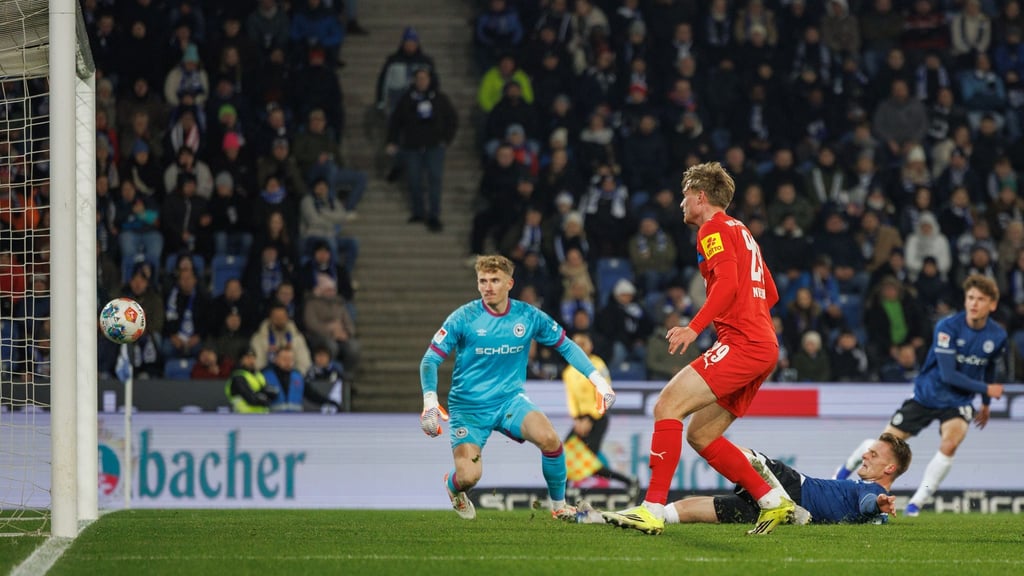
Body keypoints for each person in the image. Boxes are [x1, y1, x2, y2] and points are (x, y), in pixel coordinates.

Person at [602, 161, 791, 536]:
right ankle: (772, 501)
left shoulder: (713, 228)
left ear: (701, 197)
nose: (681, 203)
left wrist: (695, 327)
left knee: (666, 406)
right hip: (763, 344)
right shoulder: (743, 231)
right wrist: (749, 321)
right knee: (701, 435)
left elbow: (728, 285)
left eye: (685, 195)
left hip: (743, 343)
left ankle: (651, 508)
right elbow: (769, 292)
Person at [419, 254, 616, 521]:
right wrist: (430, 401)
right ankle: (453, 487)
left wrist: (598, 380)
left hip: (510, 401)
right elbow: (430, 359)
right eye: (482, 281)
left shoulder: (528, 316)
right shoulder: (463, 317)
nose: (487, 287)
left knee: (550, 439)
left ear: (510, 283)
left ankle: (559, 506)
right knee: (469, 476)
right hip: (469, 409)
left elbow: (566, 346)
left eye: (495, 280)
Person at [833, 275, 1007, 517]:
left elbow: (988, 367)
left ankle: (916, 504)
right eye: (970, 298)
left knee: (950, 443)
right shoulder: (947, 327)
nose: (973, 303)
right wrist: (987, 390)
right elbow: (948, 374)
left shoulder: (997, 335)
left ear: (993, 304)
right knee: (881, 446)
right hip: (927, 395)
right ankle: (838, 476)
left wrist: (986, 405)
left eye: (980, 299)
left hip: (958, 402)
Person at [661, 434, 912, 526]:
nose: (865, 454)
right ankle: (655, 514)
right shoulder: (870, 493)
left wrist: (878, 504)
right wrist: (878, 509)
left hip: (790, 486)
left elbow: (867, 502)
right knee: (708, 508)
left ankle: (656, 512)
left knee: (711, 442)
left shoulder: (873, 490)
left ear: (890, 468)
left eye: (874, 454)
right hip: (785, 506)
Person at [562, 332, 639, 497]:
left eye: (584, 343)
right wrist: (577, 419)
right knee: (563, 455)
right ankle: (561, 495)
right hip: (580, 421)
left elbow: (605, 391)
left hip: (597, 419)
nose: (580, 347)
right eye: (576, 344)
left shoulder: (598, 365)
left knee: (589, 462)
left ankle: (628, 481)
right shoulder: (568, 371)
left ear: (590, 345)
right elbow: (571, 399)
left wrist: (590, 418)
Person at [386, 68, 458, 232]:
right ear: (414, 80)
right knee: (414, 179)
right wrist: (392, 141)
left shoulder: (439, 98)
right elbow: (396, 121)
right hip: (412, 147)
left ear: (430, 80)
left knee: (434, 179)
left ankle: (434, 215)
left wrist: (446, 139)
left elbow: (452, 119)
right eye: (419, 78)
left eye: (424, 78)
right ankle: (418, 212)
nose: (422, 82)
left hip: (434, 147)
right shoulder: (407, 99)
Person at [225, 348, 277, 414]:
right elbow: (251, 398)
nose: (251, 361)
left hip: (262, 416)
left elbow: (272, 394)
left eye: (253, 358)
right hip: (243, 417)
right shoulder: (238, 377)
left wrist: (261, 395)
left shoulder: (258, 375)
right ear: (241, 360)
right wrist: (263, 396)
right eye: (248, 358)